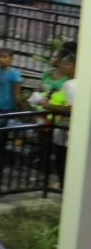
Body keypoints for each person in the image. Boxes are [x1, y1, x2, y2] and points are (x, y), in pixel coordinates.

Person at [0, 48, 23, 181]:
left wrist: (21, 110)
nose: (0, 59)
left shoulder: (14, 75)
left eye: (4, 57)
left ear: (11, 59)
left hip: (5, 110)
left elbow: (16, 95)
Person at [44, 54, 77, 187]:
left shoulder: (70, 85)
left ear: (72, 66)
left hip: (66, 128)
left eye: (64, 63)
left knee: (62, 160)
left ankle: (64, 187)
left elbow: (71, 108)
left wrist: (48, 106)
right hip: (68, 129)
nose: (60, 65)